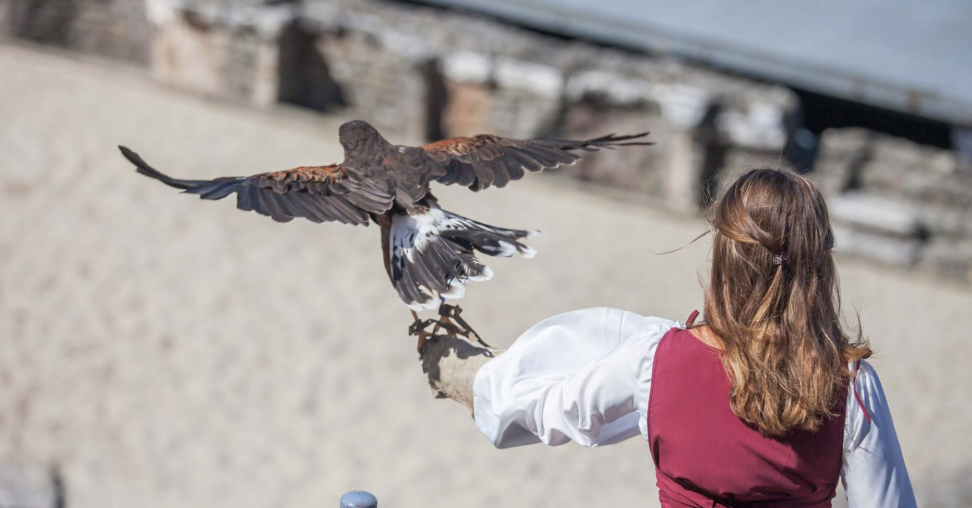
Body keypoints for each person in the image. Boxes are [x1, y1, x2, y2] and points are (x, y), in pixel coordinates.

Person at [418, 169, 917, 507]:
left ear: (724, 255)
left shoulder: (657, 358)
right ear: (819, 265)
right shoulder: (851, 389)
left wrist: (475, 379)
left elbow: (555, 411)